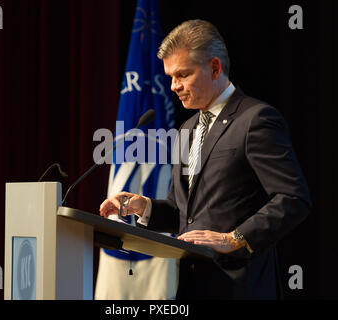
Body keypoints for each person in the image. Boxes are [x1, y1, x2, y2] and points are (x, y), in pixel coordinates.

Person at [99, 19, 311, 299]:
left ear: (214, 68)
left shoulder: (255, 120)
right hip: (192, 286)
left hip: (241, 287)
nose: (174, 86)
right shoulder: (186, 130)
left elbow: (293, 198)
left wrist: (234, 238)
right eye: (170, 77)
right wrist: (144, 207)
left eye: (183, 75)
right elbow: (183, 213)